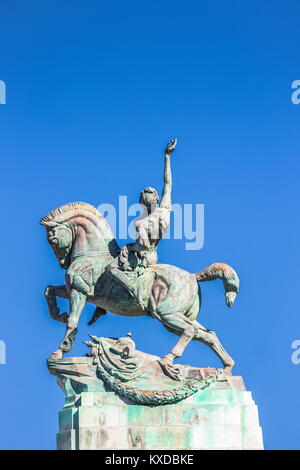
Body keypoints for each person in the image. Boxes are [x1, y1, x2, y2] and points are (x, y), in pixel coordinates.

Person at [105, 138, 177, 308]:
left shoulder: (141, 223)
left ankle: (130, 293)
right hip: (155, 256)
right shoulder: (165, 209)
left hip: (145, 258)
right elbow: (168, 183)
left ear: (142, 203)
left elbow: (143, 246)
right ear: (156, 198)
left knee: (110, 269)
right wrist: (167, 156)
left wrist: (130, 248)